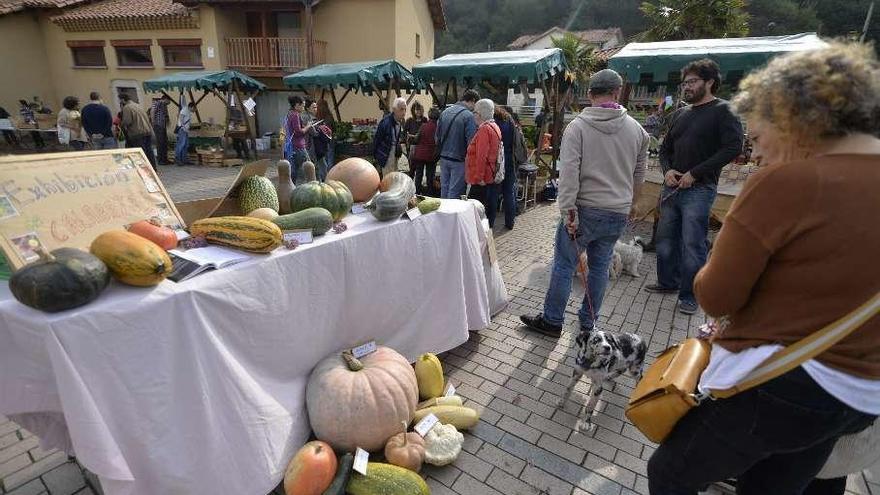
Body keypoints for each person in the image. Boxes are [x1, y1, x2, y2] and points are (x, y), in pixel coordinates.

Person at [647, 42, 880, 495]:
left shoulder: (790, 182)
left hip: (785, 386)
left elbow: (716, 296)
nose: (755, 153)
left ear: (791, 115)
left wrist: (704, 274)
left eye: (759, 138)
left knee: (671, 472)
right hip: (861, 393)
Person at [520, 69, 649, 338]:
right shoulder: (637, 131)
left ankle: (553, 321)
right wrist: (633, 202)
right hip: (617, 211)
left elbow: (568, 174)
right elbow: (639, 173)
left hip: (585, 210)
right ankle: (589, 323)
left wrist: (568, 211)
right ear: (618, 92)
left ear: (590, 94)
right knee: (600, 267)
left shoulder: (577, 127)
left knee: (564, 265)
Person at [644, 58, 744, 315]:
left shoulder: (724, 111)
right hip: (672, 188)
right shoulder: (680, 113)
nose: (686, 87)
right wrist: (669, 172)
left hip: (700, 190)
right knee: (665, 239)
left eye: (692, 82)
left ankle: (690, 296)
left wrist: (695, 173)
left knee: (693, 244)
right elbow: (665, 150)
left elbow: (733, 147)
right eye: (685, 83)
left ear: (709, 82)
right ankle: (668, 282)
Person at [436, 90, 479, 199]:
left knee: (444, 190)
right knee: (454, 192)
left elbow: (437, 137)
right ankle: (450, 215)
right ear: (473, 101)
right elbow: (472, 142)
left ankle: (443, 214)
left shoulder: (445, 112)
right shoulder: (468, 116)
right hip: (459, 160)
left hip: (443, 158)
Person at [465, 99, 502, 225]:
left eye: (474, 112)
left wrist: (479, 177)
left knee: (474, 211)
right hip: (489, 175)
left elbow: (481, 156)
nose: (473, 115)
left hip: (481, 178)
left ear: (479, 114)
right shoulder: (495, 126)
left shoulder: (484, 130)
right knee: (485, 209)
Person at [495, 105, 519, 229]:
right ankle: (510, 222)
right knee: (509, 192)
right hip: (510, 159)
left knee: (494, 192)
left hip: (498, 161)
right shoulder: (510, 120)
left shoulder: (494, 124)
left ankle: (490, 222)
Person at [120, 94, 157, 168]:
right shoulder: (137, 105)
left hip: (137, 132)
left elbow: (127, 121)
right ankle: (153, 167)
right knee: (149, 151)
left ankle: (144, 168)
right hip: (147, 130)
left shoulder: (127, 107)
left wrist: (121, 124)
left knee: (141, 153)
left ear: (123, 100)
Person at [284, 96, 315, 183]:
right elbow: (298, 132)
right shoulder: (295, 115)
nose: (304, 108)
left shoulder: (289, 113)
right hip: (298, 146)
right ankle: (311, 186)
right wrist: (308, 126)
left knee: (295, 170)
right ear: (297, 105)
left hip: (292, 146)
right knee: (309, 168)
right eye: (303, 105)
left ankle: (292, 186)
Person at [410, 107, 440, 196]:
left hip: (420, 154)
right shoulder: (438, 128)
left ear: (429, 115)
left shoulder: (423, 126)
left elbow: (416, 139)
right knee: (430, 176)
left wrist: (412, 137)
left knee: (418, 175)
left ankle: (417, 192)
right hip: (431, 155)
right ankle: (430, 193)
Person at [373, 97, 406, 177]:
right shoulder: (386, 122)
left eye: (405, 109)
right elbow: (377, 139)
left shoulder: (399, 122)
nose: (404, 112)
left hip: (394, 154)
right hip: (386, 154)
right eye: (401, 109)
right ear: (395, 109)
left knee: (394, 177)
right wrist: (376, 156)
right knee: (388, 178)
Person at [404, 100, 427, 168]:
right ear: (413, 110)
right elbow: (404, 133)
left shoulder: (424, 120)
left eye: (419, 109)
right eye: (416, 109)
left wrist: (416, 136)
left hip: (421, 146)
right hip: (412, 146)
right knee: (412, 166)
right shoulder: (409, 120)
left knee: (420, 167)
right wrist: (407, 138)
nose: (418, 111)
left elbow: (426, 132)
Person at [150, 95, 171, 165]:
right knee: (160, 143)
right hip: (158, 125)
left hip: (163, 126)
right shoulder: (157, 103)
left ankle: (165, 159)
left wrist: (168, 121)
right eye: (169, 101)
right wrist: (153, 122)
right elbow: (152, 111)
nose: (169, 102)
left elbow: (166, 115)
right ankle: (160, 160)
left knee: (164, 142)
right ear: (165, 99)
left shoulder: (164, 105)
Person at [316, 98, 336, 170]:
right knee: (330, 156)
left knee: (324, 158)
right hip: (330, 138)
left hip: (321, 139)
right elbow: (334, 127)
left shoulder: (317, 116)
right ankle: (330, 172)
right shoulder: (329, 115)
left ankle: (324, 175)